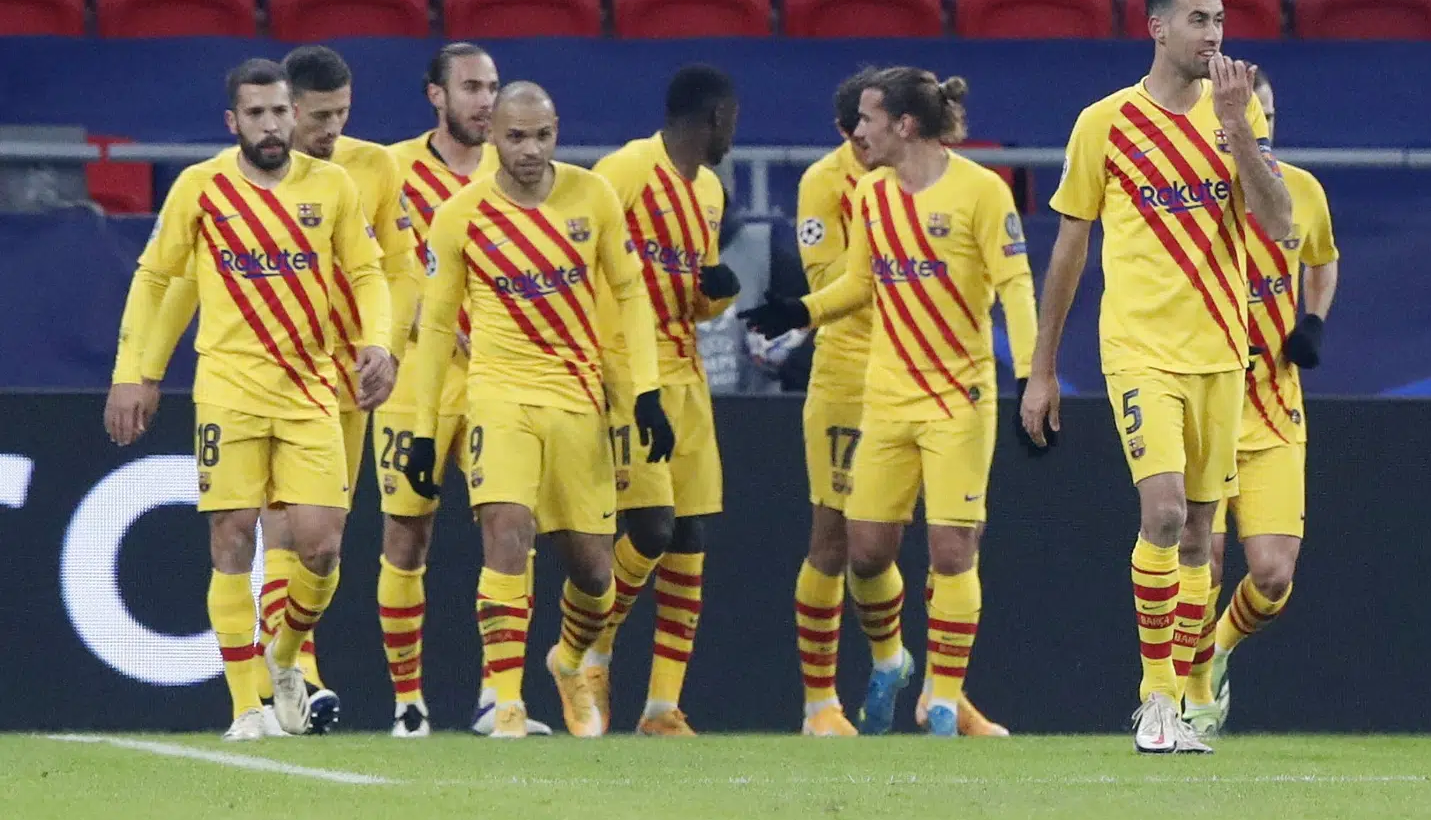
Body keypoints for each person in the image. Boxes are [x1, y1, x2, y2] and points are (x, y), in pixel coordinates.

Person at [1020, 0, 1293, 755]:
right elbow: (1069, 250)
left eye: (1220, 20)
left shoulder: (1233, 115)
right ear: (1158, 28)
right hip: (1139, 349)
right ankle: (1157, 700)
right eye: (1199, 20)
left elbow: (1277, 223)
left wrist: (1241, 131)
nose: (1214, 35)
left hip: (1220, 350)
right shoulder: (1104, 123)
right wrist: (1041, 369)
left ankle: (1191, 691)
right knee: (1166, 512)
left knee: (1204, 534)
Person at [743, 66, 1039, 738]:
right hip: (886, 398)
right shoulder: (871, 194)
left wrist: (1031, 375)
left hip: (958, 397)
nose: (858, 131)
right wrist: (802, 309)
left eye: (869, 119)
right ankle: (902, 669)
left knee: (952, 547)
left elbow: (1016, 285)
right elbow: (859, 281)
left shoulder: (982, 193)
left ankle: (942, 696)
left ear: (904, 125)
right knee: (868, 551)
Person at [104, 58, 394, 740]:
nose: (270, 125)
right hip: (228, 388)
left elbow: (368, 273)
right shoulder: (200, 189)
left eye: (279, 111)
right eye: (256, 114)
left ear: (293, 114)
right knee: (231, 536)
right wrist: (132, 371)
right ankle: (244, 708)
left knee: (321, 548)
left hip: (311, 387)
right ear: (233, 122)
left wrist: (377, 342)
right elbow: (155, 280)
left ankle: (284, 657)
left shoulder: (333, 187)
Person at [401, 82, 676, 739]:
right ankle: (506, 705)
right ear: (492, 135)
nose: (529, 150)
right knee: (507, 532)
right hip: (498, 394)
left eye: (542, 135)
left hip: (579, 401)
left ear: (557, 132)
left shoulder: (593, 197)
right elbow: (437, 327)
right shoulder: (460, 215)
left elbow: (631, 293)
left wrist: (646, 391)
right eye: (515, 136)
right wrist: (418, 432)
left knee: (595, 575)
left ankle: (570, 658)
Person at [581, 65, 741, 736]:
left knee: (690, 535)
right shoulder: (624, 172)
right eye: (732, 118)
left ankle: (660, 706)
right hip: (626, 376)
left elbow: (695, 297)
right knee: (648, 527)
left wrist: (718, 292)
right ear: (713, 117)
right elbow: (579, 255)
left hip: (687, 372)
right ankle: (590, 644)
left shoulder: (708, 191)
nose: (735, 130)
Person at [1183, 67, 1339, 737]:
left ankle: (1215, 649)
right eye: (1246, 109)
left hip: (1275, 407)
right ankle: (1186, 690)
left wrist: (1313, 321)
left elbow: (1323, 256)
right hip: (1207, 402)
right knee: (1204, 559)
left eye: (1265, 108)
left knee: (1272, 576)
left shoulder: (1300, 189)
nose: (1258, 121)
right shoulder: (1193, 196)